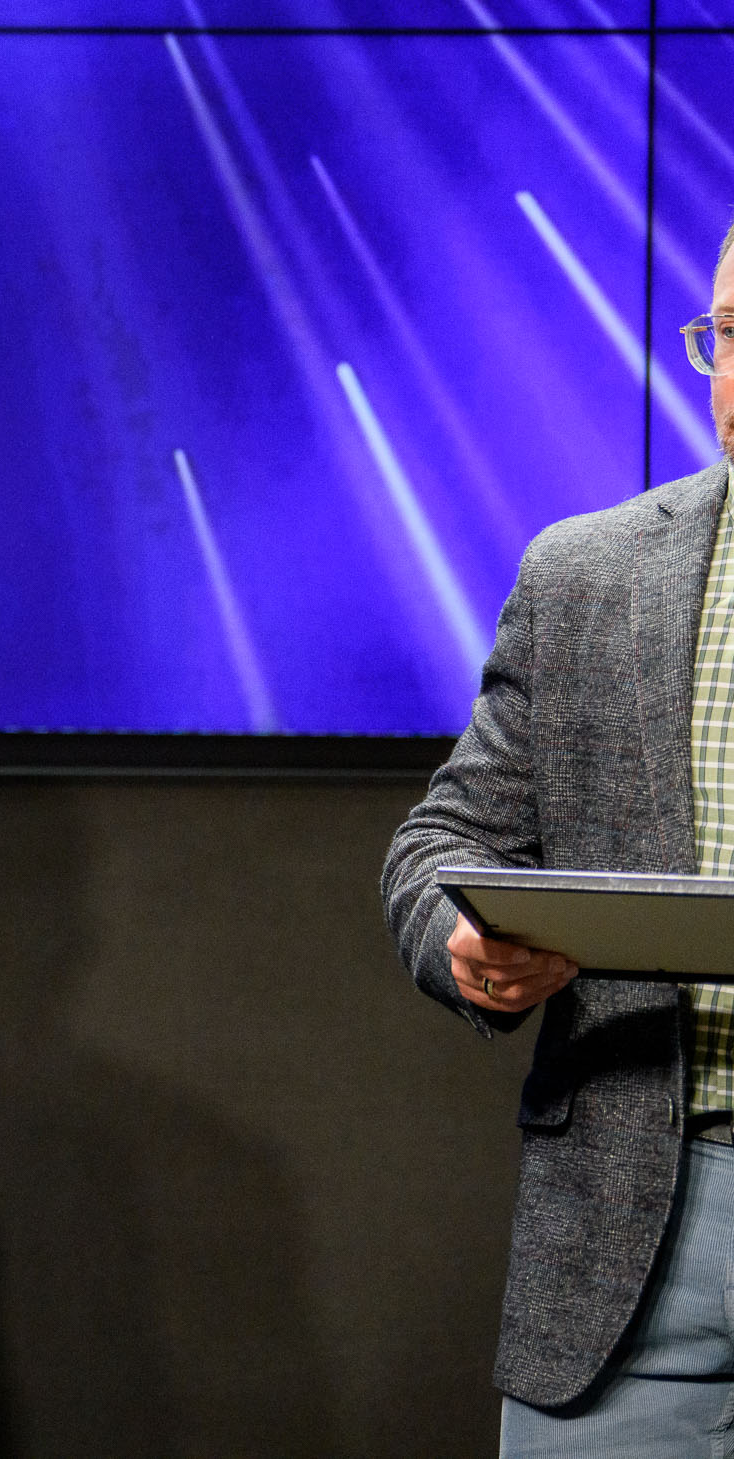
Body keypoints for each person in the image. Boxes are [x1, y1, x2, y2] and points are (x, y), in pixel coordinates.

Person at [383, 223, 734, 1455]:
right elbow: (445, 838)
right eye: (731, 334)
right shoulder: (587, 575)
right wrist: (461, 941)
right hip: (630, 1245)